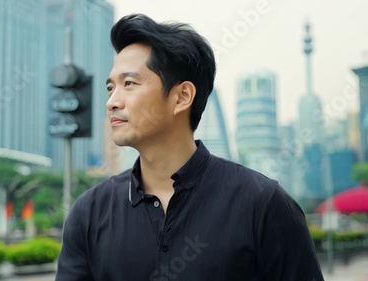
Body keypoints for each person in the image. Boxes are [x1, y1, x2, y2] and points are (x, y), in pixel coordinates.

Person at [55, 14, 324, 281]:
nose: (112, 101)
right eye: (110, 88)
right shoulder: (89, 212)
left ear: (182, 96)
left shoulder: (264, 204)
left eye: (129, 84)